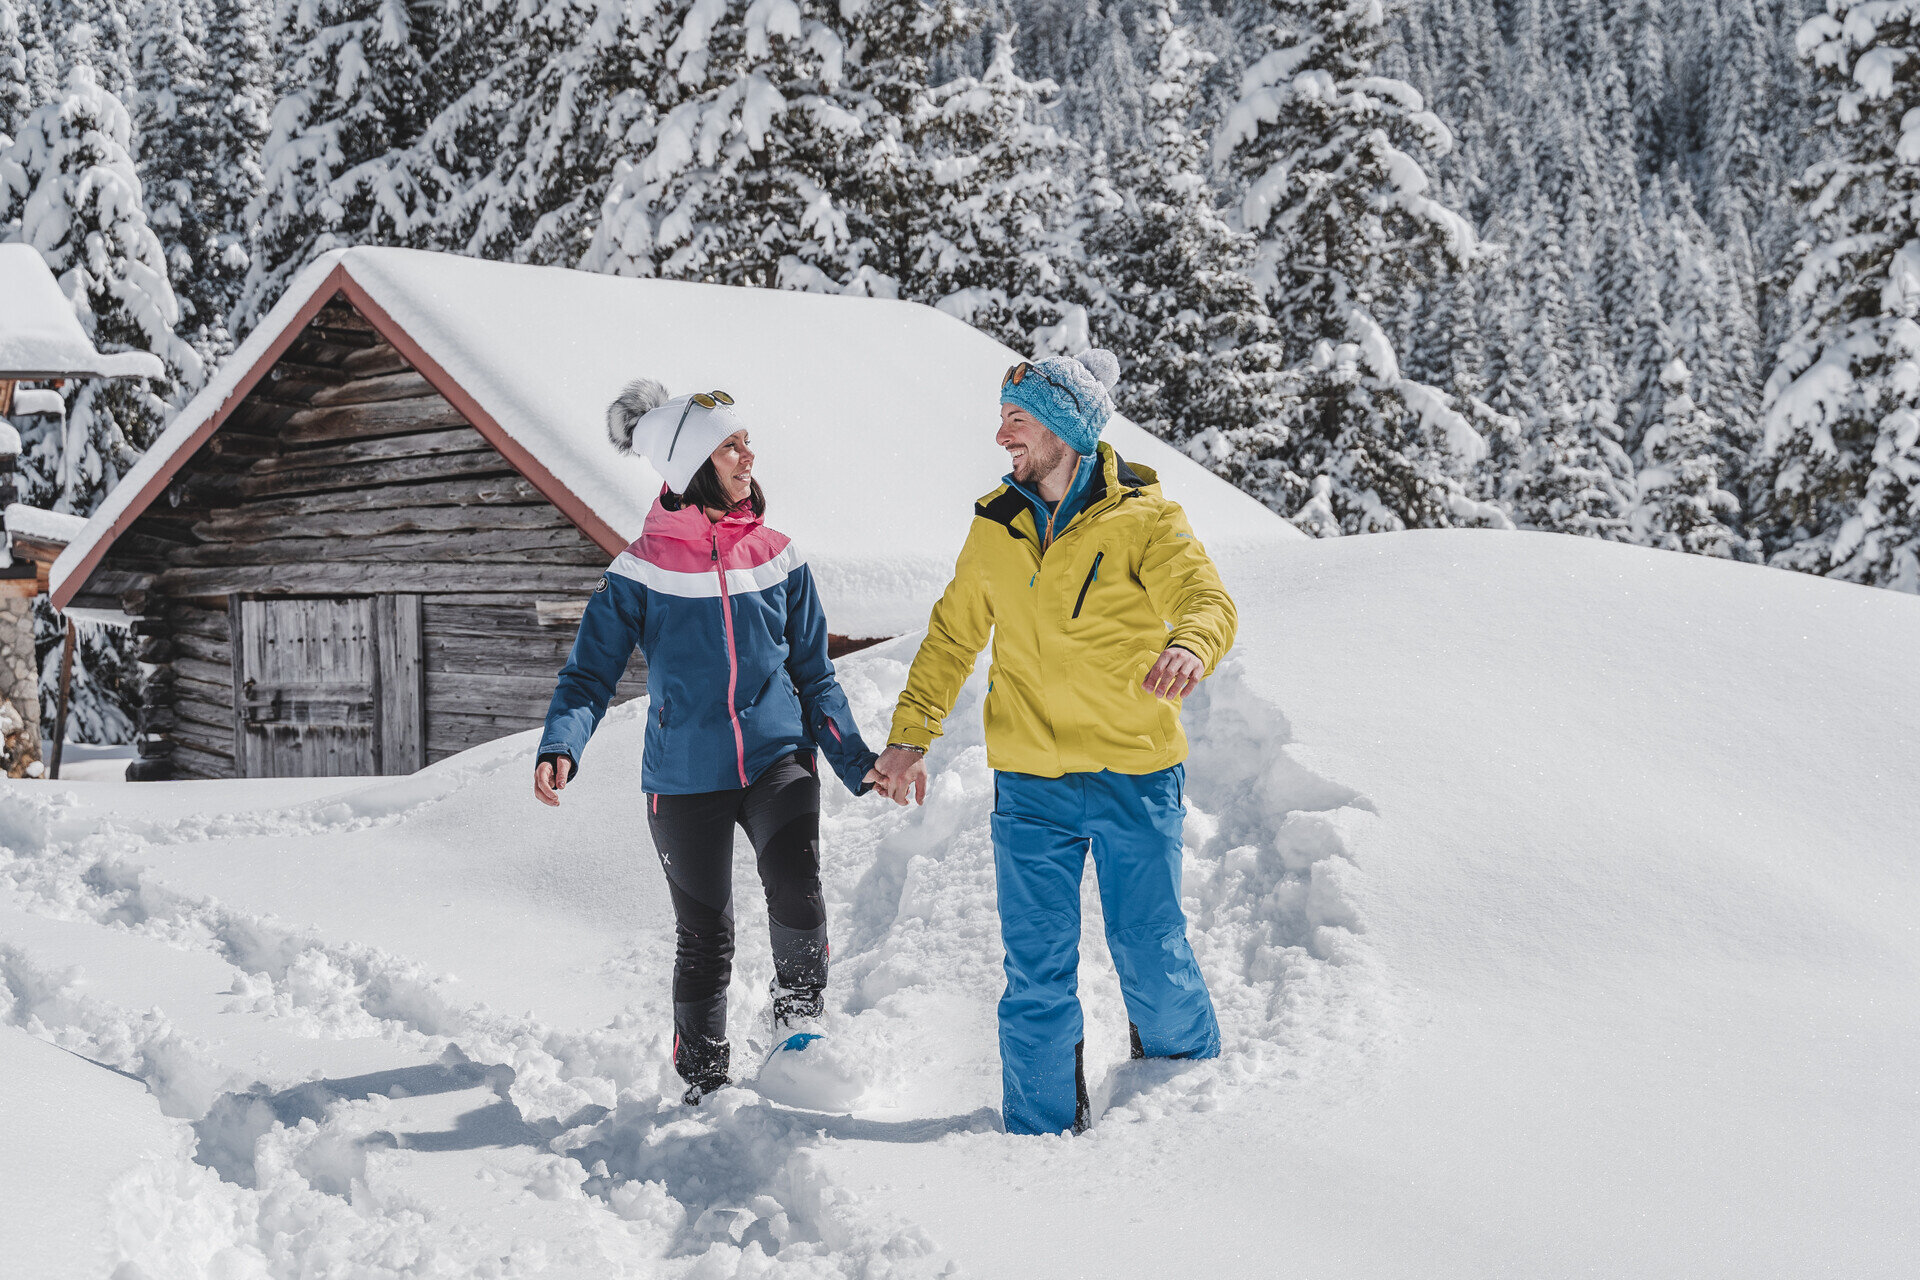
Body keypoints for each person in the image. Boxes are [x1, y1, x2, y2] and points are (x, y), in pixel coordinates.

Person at [869, 350, 1237, 1136]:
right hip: (1032, 784)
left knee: (1149, 946)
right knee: (1036, 970)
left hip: (1135, 772)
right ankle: (1037, 1138)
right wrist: (910, 737)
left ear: (1064, 428)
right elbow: (951, 639)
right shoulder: (995, 527)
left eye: (1017, 419)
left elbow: (1205, 598)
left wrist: (1190, 644)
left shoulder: (1145, 518)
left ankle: (1185, 1110)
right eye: (1003, 418)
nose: (1002, 434)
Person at [535, 379, 880, 1104]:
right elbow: (589, 675)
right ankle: (704, 1082)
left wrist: (858, 762)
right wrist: (561, 745)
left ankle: (797, 1021)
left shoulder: (778, 556)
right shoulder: (639, 570)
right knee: (705, 936)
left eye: (746, 441)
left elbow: (815, 676)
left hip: (776, 757)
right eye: (730, 445)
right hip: (684, 775)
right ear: (692, 465)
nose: (748, 455)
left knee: (798, 893)